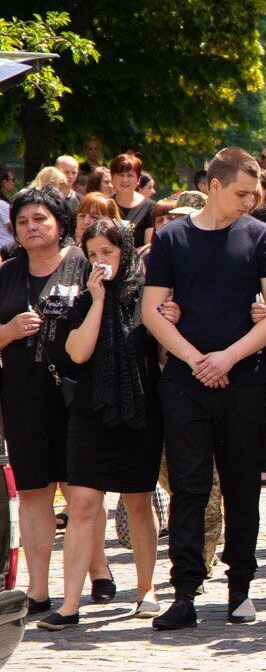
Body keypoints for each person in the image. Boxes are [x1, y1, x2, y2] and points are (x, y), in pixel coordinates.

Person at [141, 148, 266, 631]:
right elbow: (151, 311)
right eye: (243, 193)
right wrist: (195, 359)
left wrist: (229, 357)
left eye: (256, 193)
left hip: (244, 379)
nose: (251, 201)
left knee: (242, 485)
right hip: (186, 382)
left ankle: (241, 588)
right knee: (188, 487)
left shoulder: (260, 236)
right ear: (214, 186)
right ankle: (185, 589)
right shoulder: (172, 238)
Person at [37, 220, 164, 629]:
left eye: (107, 253)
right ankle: (70, 602)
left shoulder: (147, 295)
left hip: (138, 412)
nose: (99, 262)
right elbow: (76, 353)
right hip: (91, 413)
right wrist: (96, 302)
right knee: (82, 503)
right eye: (92, 254)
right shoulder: (81, 297)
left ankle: (147, 590)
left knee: (138, 503)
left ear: (124, 253)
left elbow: (159, 349)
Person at [0, 188, 91, 618]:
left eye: (40, 219)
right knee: (35, 493)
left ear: (59, 222)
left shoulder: (82, 265)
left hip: (77, 396)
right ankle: (38, 590)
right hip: (21, 397)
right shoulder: (7, 274)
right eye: (23, 222)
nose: (32, 228)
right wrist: (9, 331)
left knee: (82, 493)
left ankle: (87, 582)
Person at [110, 154, 154, 248]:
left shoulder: (149, 207)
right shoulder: (105, 205)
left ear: (138, 180)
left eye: (130, 175)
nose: (125, 180)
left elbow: (148, 246)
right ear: (112, 178)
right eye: (120, 175)